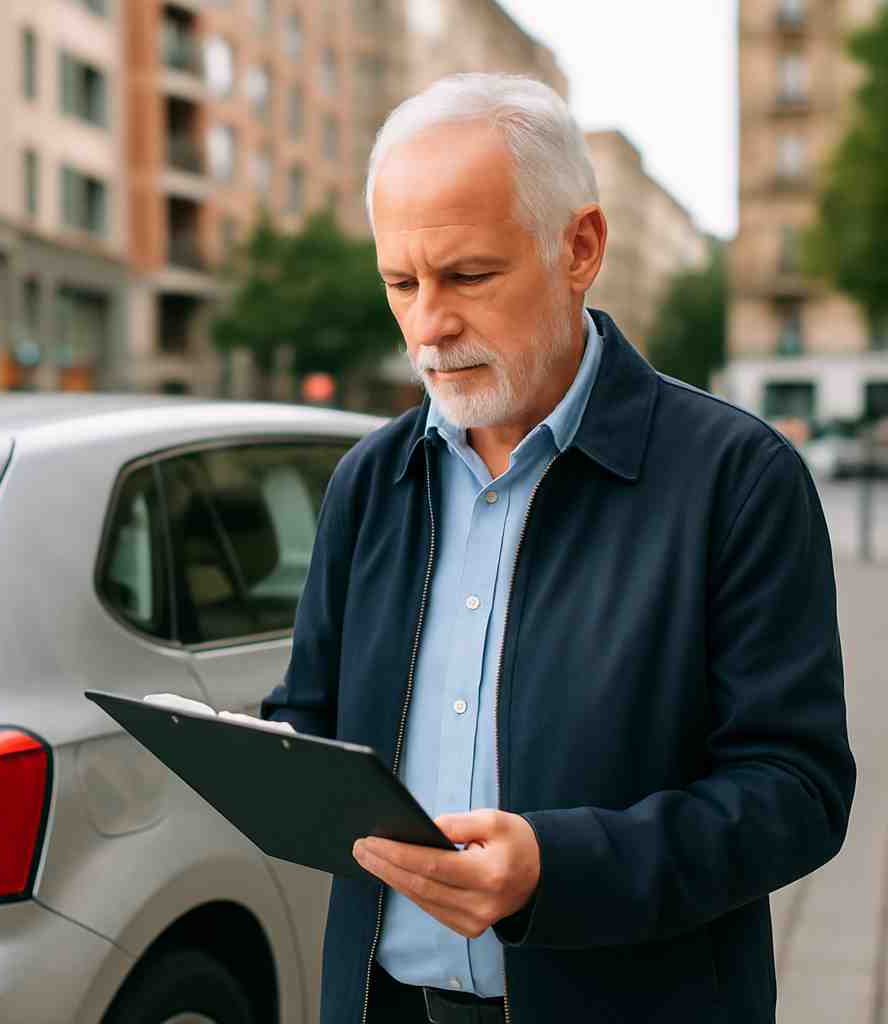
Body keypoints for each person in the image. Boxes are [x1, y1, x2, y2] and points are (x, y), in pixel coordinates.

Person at [261, 73, 855, 1024]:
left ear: (579, 248)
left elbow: (797, 793)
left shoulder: (735, 479)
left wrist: (558, 870)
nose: (428, 325)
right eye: (400, 284)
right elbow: (313, 713)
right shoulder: (368, 482)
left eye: (467, 276)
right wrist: (265, 760)